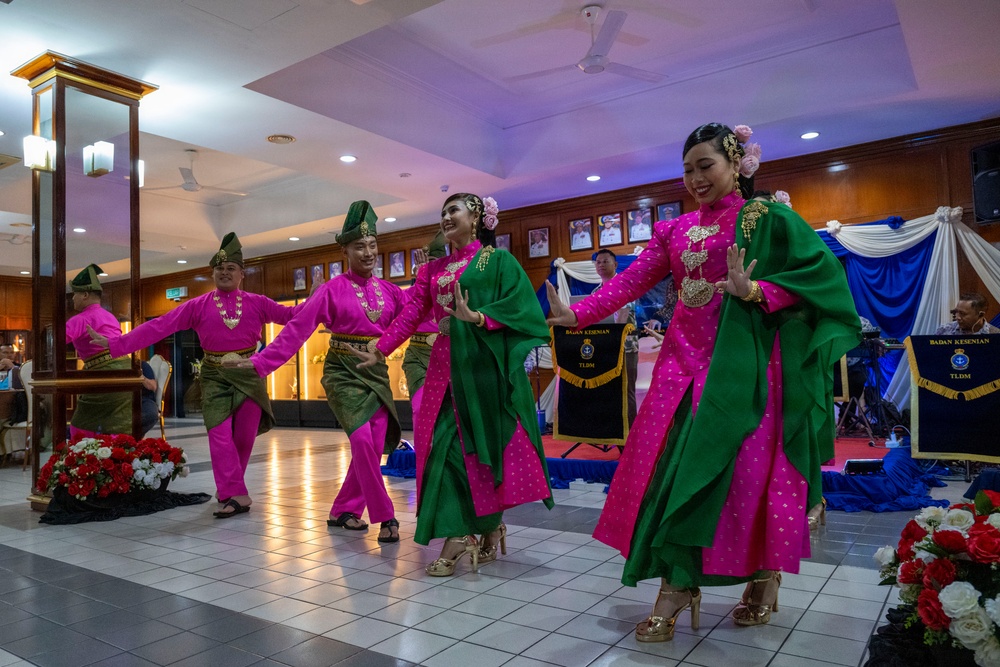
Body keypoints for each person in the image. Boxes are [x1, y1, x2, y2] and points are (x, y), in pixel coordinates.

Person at [547, 122, 860, 641]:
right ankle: (678, 583)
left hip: (744, 371)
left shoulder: (767, 218)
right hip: (679, 368)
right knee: (673, 475)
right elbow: (630, 279)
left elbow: (821, 276)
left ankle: (762, 578)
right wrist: (577, 314)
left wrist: (758, 289)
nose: (695, 178)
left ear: (737, 165)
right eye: (688, 169)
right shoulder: (673, 231)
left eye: (706, 166)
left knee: (745, 478)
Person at [353, 193, 553, 576]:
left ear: (475, 217)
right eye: (442, 212)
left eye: (453, 211)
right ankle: (460, 533)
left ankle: (489, 524)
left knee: (479, 452)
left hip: (481, 371)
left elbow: (522, 308)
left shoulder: (497, 261)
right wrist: (381, 349)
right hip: (443, 370)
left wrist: (477, 318)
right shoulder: (434, 269)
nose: (445, 217)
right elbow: (412, 312)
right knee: (443, 450)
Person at [89, 233, 302, 518]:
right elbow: (159, 327)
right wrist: (116, 343)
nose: (224, 273)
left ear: (242, 274)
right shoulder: (197, 305)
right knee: (219, 435)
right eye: (219, 269)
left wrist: (324, 302)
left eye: (230, 269)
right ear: (212, 273)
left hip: (250, 375)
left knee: (243, 439)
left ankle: (229, 490)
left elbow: (292, 315)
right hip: (213, 377)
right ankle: (236, 494)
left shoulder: (258, 302)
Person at [230, 201, 405, 543]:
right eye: (359, 246)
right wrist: (260, 363)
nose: (367, 253)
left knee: (372, 444)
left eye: (372, 246)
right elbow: (296, 331)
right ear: (345, 250)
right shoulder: (331, 290)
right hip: (342, 372)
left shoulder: (390, 292)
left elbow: (416, 315)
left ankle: (344, 509)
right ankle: (386, 516)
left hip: (377, 373)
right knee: (363, 440)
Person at [67, 264, 133, 439]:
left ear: (85, 295)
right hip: (125, 371)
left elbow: (58, 341)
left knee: (80, 426)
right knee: (117, 424)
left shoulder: (80, 319)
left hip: (103, 373)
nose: (72, 298)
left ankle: (88, 463)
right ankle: (118, 461)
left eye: (75, 294)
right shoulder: (109, 316)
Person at [403, 230, 448, 421]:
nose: (429, 269)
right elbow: (407, 314)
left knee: (447, 413)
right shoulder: (413, 291)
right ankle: (423, 451)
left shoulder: (453, 289)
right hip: (417, 356)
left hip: (446, 354)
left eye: (433, 265)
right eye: (425, 265)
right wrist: (422, 283)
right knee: (420, 408)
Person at [592, 249, 639, 425]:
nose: (601, 265)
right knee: (608, 392)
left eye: (605, 261)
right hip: (603, 349)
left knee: (626, 392)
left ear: (615, 264)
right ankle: (613, 433)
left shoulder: (624, 285)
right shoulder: (596, 291)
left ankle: (630, 438)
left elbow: (622, 318)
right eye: (598, 262)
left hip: (625, 348)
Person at [140, 360, 159, 437]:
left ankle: (135, 436)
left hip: (144, 399)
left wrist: (141, 376)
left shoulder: (143, 365)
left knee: (151, 415)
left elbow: (153, 386)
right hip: (125, 399)